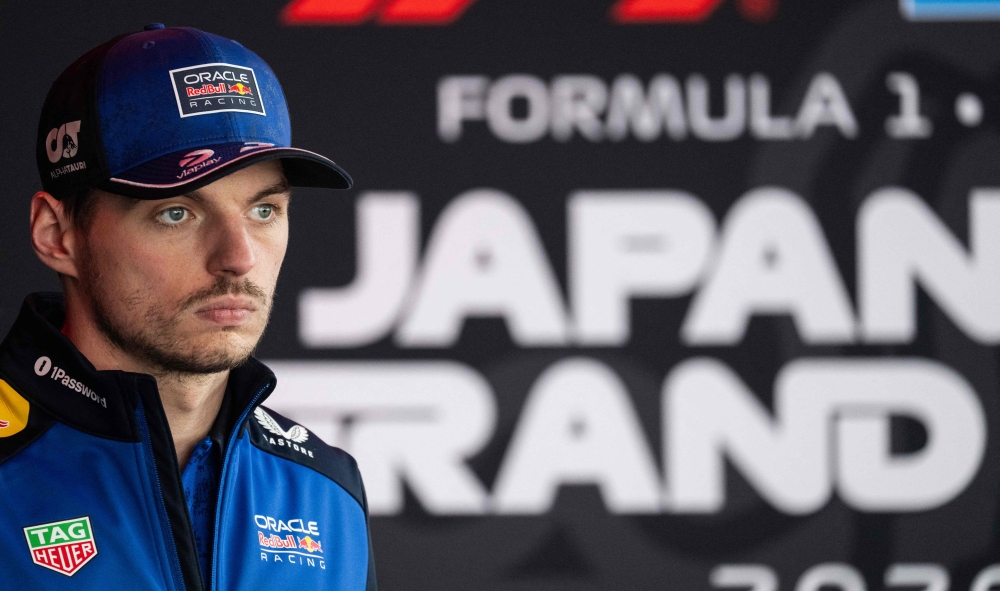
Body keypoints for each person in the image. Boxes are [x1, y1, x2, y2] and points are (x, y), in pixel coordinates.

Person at [0, 24, 375, 590]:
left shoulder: (326, 492)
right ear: (57, 234)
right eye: (177, 213)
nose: (239, 257)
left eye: (264, 211)